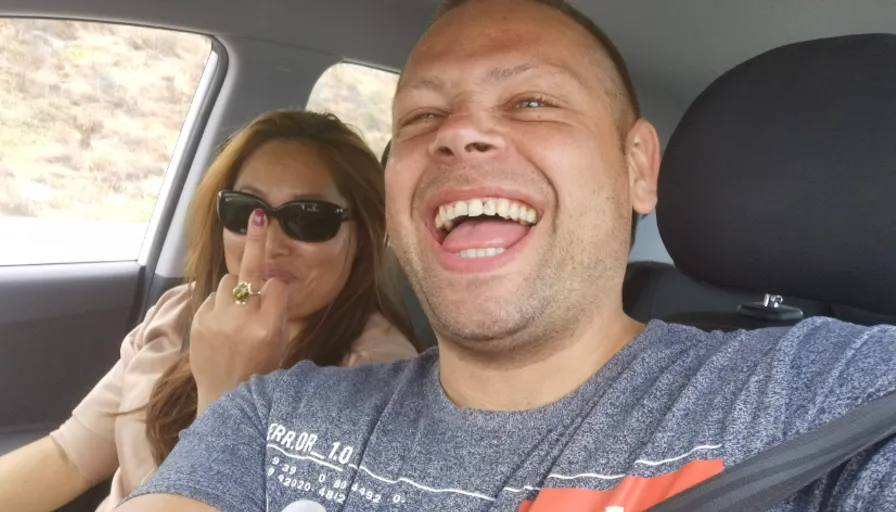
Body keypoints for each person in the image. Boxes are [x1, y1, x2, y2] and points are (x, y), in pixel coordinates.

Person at [117, 1, 896, 511]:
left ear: (638, 169)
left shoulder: (818, 399)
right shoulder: (268, 416)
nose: (458, 133)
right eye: (422, 115)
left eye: (532, 101)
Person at [0, 109, 419, 512]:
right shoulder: (182, 311)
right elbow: (68, 458)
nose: (269, 244)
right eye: (245, 212)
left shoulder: (381, 382)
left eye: (308, 219)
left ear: (363, 235)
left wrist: (228, 395)